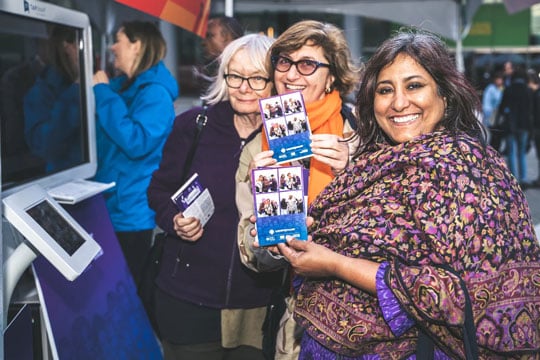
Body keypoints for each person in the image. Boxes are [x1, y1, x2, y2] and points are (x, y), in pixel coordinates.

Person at [271, 28, 540, 359]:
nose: (399, 103)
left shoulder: (467, 169)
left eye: (414, 86)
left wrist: (335, 265)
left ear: (445, 93)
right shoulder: (372, 162)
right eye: (385, 90)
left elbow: (458, 293)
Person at [147, 33, 282, 360]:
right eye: (235, 76)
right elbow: (159, 191)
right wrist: (175, 220)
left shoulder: (286, 138)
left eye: (257, 78)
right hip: (189, 300)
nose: (244, 87)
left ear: (275, 82)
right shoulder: (194, 125)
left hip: (257, 302)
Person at [235, 20, 362, 359]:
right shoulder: (256, 150)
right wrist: (272, 238)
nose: (291, 75)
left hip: (362, 316)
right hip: (296, 319)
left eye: (307, 64)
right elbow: (250, 252)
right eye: (283, 62)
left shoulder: (363, 137)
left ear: (331, 75)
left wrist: (355, 171)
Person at [92, 20, 179, 287]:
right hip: (110, 204)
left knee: (130, 290)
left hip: (132, 212)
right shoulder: (123, 87)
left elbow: (137, 142)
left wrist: (104, 94)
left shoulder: (156, 95)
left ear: (137, 45)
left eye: (118, 40)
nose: (112, 47)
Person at [24, 24, 82, 173]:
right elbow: (45, 147)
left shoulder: (89, 82)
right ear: (68, 47)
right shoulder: (40, 92)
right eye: (80, 46)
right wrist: (75, 92)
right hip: (63, 180)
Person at [497, 65, 533, 187]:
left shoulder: (509, 89)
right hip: (524, 125)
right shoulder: (528, 91)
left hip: (510, 125)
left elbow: (501, 108)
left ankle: (514, 179)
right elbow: (531, 110)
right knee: (521, 153)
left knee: (511, 152)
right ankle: (524, 178)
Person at [194, 15, 244, 98]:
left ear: (228, 37)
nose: (203, 42)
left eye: (210, 36)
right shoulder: (213, 69)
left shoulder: (247, 70)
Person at [481, 69, 504, 150]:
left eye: (500, 79)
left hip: (501, 116)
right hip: (492, 116)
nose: (499, 81)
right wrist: (488, 115)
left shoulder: (503, 88)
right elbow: (486, 104)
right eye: (498, 79)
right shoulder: (490, 89)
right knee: (494, 138)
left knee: (498, 139)